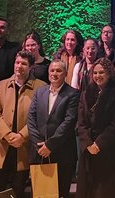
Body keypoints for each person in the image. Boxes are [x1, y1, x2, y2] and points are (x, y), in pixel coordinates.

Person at [0, 50, 46, 198]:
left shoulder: (41, 87)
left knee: (17, 191)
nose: (19, 66)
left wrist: (22, 136)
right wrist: (7, 134)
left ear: (31, 67)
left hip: (23, 147)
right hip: (2, 146)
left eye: (24, 64)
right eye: (17, 62)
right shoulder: (2, 85)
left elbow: (40, 117)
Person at [76, 57, 115, 198]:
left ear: (109, 73)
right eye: (95, 73)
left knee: (105, 191)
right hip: (88, 149)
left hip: (107, 150)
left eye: (101, 72)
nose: (98, 76)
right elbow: (81, 123)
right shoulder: (86, 94)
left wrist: (98, 144)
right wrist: (87, 144)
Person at [27, 59, 79, 198]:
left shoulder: (73, 94)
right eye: (52, 70)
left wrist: (50, 145)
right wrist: (39, 145)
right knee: (39, 194)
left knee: (60, 193)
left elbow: (69, 122)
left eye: (58, 71)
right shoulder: (39, 92)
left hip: (62, 153)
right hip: (39, 153)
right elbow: (31, 118)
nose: (54, 73)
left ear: (65, 74)